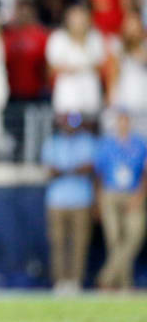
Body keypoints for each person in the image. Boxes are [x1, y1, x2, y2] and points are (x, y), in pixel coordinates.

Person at [40, 112, 96, 295]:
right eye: (67, 122)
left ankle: (76, 281)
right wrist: (72, 169)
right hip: (57, 200)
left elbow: (89, 167)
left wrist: (65, 170)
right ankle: (60, 281)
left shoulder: (87, 141)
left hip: (81, 199)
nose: (70, 126)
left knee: (79, 243)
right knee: (58, 242)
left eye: (74, 122)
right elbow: (50, 171)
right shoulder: (53, 142)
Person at [94, 108, 147, 291]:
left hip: (132, 193)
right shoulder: (107, 144)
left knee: (135, 235)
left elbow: (145, 173)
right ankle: (124, 284)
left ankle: (106, 276)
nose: (123, 124)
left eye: (125, 120)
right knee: (114, 239)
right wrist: (99, 200)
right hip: (111, 193)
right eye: (120, 121)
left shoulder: (140, 144)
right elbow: (99, 174)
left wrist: (140, 195)